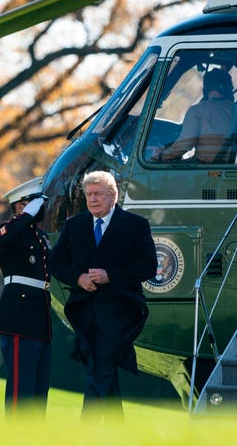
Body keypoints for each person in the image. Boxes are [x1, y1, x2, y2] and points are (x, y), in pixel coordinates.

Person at [49, 171, 157, 417]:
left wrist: (111, 275)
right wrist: (78, 278)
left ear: (113, 196)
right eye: (89, 194)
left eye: (98, 194)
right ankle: (114, 430)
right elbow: (55, 263)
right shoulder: (74, 225)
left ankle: (87, 431)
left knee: (101, 366)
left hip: (120, 310)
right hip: (84, 312)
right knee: (99, 366)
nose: (92, 199)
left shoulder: (135, 225)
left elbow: (148, 266)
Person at [0, 177, 53, 417]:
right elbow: (3, 237)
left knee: (39, 391)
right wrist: (25, 216)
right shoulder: (9, 231)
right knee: (21, 391)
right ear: (21, 205)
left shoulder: (40, 237)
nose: (42, 208)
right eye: (36, 202)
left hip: (39, 317)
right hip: (19, 317)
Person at [153, 68, 234, 163]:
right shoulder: (236, 109)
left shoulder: (198, 110)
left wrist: (160, 156)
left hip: (206, 167)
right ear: (229, 88)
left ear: (206, 88)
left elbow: (185, 144)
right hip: (230, 164)